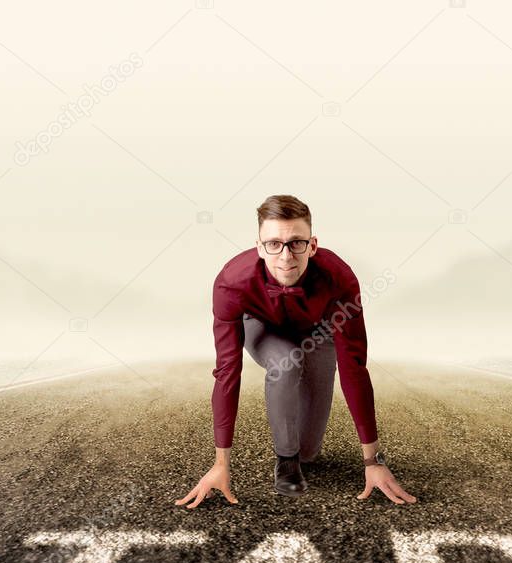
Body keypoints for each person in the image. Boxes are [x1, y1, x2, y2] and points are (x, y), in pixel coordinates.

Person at [175, 194, 417, 509]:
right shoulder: (231, 283)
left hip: (318, 329)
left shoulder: (340, 279)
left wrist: (373, 461)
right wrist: (221, 463)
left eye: (296, 243)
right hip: (262, 326)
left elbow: (354, 366)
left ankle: (299, 455)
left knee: (310, 452)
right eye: (274, 244)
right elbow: (227, 372)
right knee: (287, 363)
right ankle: (286, 460)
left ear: (313, 245)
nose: (286, 255)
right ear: (259, 247)